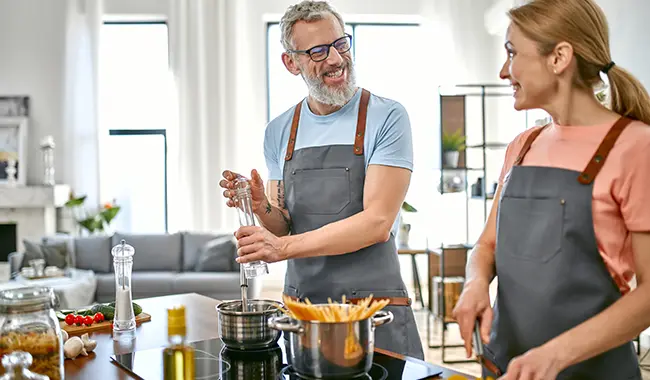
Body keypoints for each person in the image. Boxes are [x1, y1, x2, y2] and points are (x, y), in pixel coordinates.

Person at [452, 0, 650, 379]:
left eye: (512, 53)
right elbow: (487, 245)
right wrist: (475, 282)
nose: (503, 71)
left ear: (559, 57)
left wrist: (555, 355)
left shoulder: (636, 146)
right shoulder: (523, 145)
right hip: (509, 367)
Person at [219, 0, 424, 360]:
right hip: (304, 317)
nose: (335, 59)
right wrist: (261, 206)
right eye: (317, 51)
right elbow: (283, 225)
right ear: (291, 62)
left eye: (340, 44)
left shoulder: (387, 117)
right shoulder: (279, 131)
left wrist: (281, 249)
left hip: (372, 315)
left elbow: (378, 223)